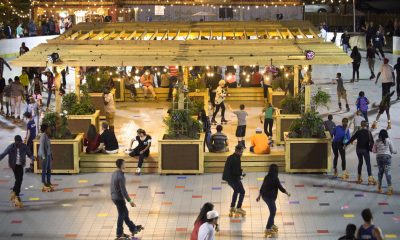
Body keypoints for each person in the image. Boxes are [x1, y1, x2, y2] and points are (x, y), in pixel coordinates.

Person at [111, 159, 143, 239]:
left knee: (125, 213)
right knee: (121, 215)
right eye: (124, 163)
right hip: (119, 198)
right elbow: (123, 191)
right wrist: (130, 201)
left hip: (114, 196)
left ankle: (133, 228)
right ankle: (119, 234)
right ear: (122, 165)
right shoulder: (121, 176)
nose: (125, 164)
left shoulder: (114, 173)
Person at [257, 164, 290, 237]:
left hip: (265, 196)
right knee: (273, 211)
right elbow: (281, 188)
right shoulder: (275, 178)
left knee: (273, 211)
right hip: (269, 198)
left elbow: (262, 186)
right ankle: (268, 228)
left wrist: (259, 196)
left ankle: (271, 224)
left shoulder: (267, 177)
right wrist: (287, 193)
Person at [0, 135, 34, 208]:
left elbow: (29, 154)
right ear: (15, 142)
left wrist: (33, 158)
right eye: (17, 143)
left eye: (20, 142)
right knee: (18, 179)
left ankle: (15, 193)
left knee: (19, 179)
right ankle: (16, 193)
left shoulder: (24, 146)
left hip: (20, 164)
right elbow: (4, 153)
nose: (19, 144)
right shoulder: (11, 146)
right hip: (14, 165)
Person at [346, 121, 376, 185]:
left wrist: (345, 144)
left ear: (361, 125)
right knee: (368, 164)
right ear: (366, 125)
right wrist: (372, 148)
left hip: (358, 150)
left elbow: (352, 138)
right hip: (365, 150)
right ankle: (370, 178)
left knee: (360, 163)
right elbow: (372, 141)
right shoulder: (368, 132)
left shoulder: (358, 132)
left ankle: (359, 178)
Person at [222, 145, 246, 218]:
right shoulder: (236, 159)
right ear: (237, 151)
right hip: (234, 179)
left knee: (236, 190)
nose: (242, 153)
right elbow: (235, 172)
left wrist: (240, 173)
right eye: (241, 152)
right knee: (242, 192)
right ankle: (238, 208)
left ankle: (232, 207)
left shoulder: (230, 157)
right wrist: (241, 175)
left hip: (228, 179)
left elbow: (230, 169)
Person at [372, 129, 397, 195]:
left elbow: (374, 151)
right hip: (387, 157)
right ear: (386, 134)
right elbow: (393, 150)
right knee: (387, 173)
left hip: (379, 157)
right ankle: (389, 188)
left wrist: (379, 150)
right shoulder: (389, 140)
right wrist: (395, 151)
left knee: (380, 173)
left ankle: (379, 188)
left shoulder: (377, 141)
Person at [38, 123, 54, 191]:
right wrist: (44, 157)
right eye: (48, 128)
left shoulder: (46, 135)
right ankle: (43, 183)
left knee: (49, 169)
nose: (49, 129)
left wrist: (51, 155)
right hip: (45, 156)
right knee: (44, 170)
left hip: (48, 155)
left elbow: (49, 147)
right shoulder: (43, 136)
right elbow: (41, 147)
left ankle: (48, 182)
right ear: (45, 129)